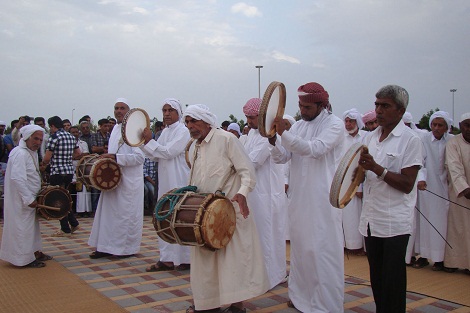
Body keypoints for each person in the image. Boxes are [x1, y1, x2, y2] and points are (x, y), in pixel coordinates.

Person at [183, 104, 269, 313]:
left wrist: (243, 193)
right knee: (205, 262)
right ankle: (207, 304)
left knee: (234, 261)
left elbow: (247, 172)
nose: (190, 126)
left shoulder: (227, 139)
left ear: (206, 121)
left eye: (194, 121)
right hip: (203, 215)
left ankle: (237, 306)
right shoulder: (193, 146)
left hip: (229, 211)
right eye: (187, 122)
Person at [269, 82, 345, 312]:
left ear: (322, 105)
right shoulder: (299, 127)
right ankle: (302, 298)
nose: (303, 110)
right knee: (302, 252)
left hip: (323, 199)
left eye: (308, 107)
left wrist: (284, 133)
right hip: (300, 199)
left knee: (322, 252)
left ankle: (326, 304)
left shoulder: (335, 124)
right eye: (301, 106)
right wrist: (273, 141)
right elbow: (283, 158)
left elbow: (315, 149)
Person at [358, 85, 422, 313]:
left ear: (401, 111)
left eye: (385, 106)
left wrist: (377, 168)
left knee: (393, 283)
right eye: (377, 105)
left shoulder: (410, 140)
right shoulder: (370, 137)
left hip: (394, 223)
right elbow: (359, 172)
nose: (379, 110)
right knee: (377, 281)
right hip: (371, 222)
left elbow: (407, 184)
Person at [88, 98, 145, 259]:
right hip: (112, 180)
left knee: (124, 216)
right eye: (116, 108)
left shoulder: (136, 130)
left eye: (122, 108)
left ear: (129, 111)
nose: (118, 111)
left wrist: (115, 157)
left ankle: (123, 249)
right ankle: (104, 247)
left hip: (129, 183)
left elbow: (140, 158)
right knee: (107, 216)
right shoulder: (114, 129)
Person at [140, 98, 191, 271]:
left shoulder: (183, 131)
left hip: (178, 180)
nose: (167, 114)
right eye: (164, 111)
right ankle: (167, 258)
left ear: (178, 113)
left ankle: (185, 259)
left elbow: (169, 152)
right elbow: (155, 155)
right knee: (164, 216)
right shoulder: (165, 132)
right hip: (165, 183)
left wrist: (149, 142)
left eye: (170, 110)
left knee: (180, 217)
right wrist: (143, 143)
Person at [242, 98, 287, 289]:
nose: (249, 121)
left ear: (261, 116)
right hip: (253, 193)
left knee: (267, 235)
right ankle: (261, 275)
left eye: (252, 117)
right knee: (257, 236)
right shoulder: (250, 134)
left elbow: (253, 161)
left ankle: (270, 277)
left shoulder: (267, 134)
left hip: (266, 194)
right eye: (247, 117)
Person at [0, 125, 53, 268]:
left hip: (29, 199)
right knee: (22, 228)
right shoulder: (20, 154)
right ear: (27, 138)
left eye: (40, 139)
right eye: (35, 138)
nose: (38, 142)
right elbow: (17, 179)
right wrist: (28, 199)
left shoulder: (30, 152)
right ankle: (23, 259)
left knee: (31, 229)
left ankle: (34, 252)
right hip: (22, 201)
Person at [412, 111, 454, 271]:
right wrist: (420, 179)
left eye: (440, 125)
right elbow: (419, 161)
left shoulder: (451, 141)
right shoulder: (423, 140)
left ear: (447, 127)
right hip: (427, 188)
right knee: (424, 223)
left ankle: (441, 259)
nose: (436, 128)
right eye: (434, 125)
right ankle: (423, 256)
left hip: (445, 188)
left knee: (443, 223)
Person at [42, 116, 81, 237]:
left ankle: (65, 228)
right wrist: (67, 158)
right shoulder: (70, 137)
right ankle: (73, 223)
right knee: (65, 197)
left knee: (58, 200)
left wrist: (43, 165)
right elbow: (78, 153)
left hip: (57, 172)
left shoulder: (54, 137)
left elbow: (47, 158)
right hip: (69, 171)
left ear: (53, 126)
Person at [443, 112, 470, 274]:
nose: (469, 129)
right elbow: (454, 168)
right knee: (459, 228)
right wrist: (465, 188)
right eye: (467, 125)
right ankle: (455, 261)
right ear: (460, 126)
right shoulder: (454, 143)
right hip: (460, 194)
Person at [342, 108, 367, 255]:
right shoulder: (342, 138)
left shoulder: (365, 137)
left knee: (360, 214)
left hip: (362, 180)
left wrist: (360, 185)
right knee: (347, 214)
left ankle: (360, 246)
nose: (348, 124)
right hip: (344, 181)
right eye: (346, 121)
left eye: (351, 121)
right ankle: (348, 244)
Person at [69, 126, 92, 217]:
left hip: (82, 169)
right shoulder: (68, 143)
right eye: (73, 132)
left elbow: (85, 155)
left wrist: (74, 157)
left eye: (76, 132)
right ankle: (73, 210)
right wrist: (77, 156)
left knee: (83, 191)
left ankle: (85, 211)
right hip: (71, 169)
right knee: (72, 192)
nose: (75, 134)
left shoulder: (83, 143)